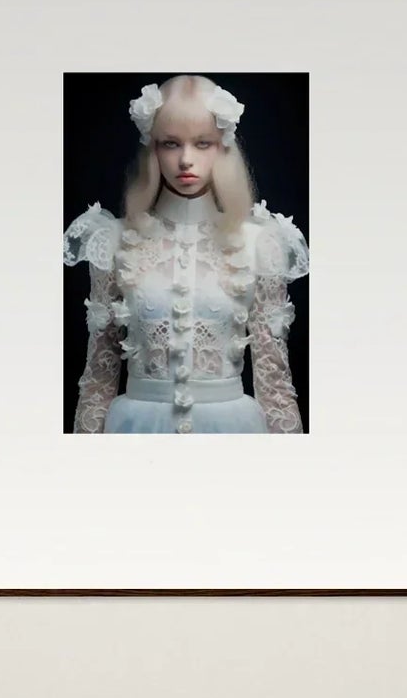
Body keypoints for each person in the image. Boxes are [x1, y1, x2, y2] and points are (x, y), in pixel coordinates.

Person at [64, 75, 309, 435]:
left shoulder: (261, 242)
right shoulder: (114, 240)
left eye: (202, 143)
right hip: (136, 432)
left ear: (222, 146)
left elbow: (274, 384)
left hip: (230, 432)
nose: (185, 160)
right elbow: (99, 378)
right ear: (153, 148)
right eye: (170, 144)